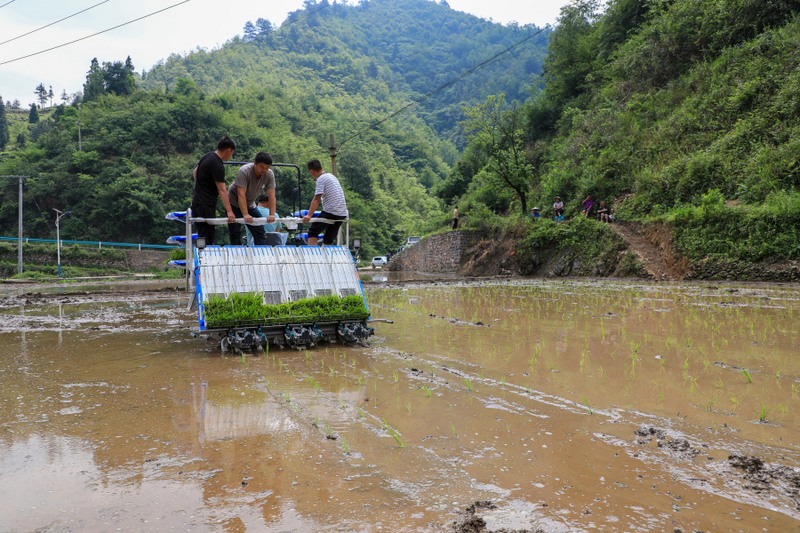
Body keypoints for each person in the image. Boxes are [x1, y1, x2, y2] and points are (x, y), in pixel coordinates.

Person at [191, 135, 237, 246]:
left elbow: (195, 173)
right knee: (207, 236)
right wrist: (229, 211)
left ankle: (200, 257)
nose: (231, 155)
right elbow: (222, 189)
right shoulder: (217, 164)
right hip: (206, 204)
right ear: (228, 150)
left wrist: (202, 185)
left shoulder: (207, 156)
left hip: (196, 202)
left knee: (201, 233)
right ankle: (203, 260)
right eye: (232, 153)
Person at [227, 152, 276, 246]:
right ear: (255, 163)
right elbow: (241, 194)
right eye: (262, 167)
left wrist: (272, 214)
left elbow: (272, 195)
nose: (264, 170)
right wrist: (245, 214)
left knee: (260, 231)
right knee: (235, 232)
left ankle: (260, 256)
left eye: (267, 167)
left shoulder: (269, 174)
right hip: (233, 202)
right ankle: (236, 256)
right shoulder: (244, 171)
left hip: (250, 203)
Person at [302, 159, 348, 245]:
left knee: (312, 231)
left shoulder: (321, 179)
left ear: (311, 171)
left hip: (331, 211)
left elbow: (317, 199)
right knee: (328, 238)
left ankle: (312, 256)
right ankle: (326, 256)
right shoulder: (331, 176)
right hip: (342, 213)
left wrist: (309, 215)